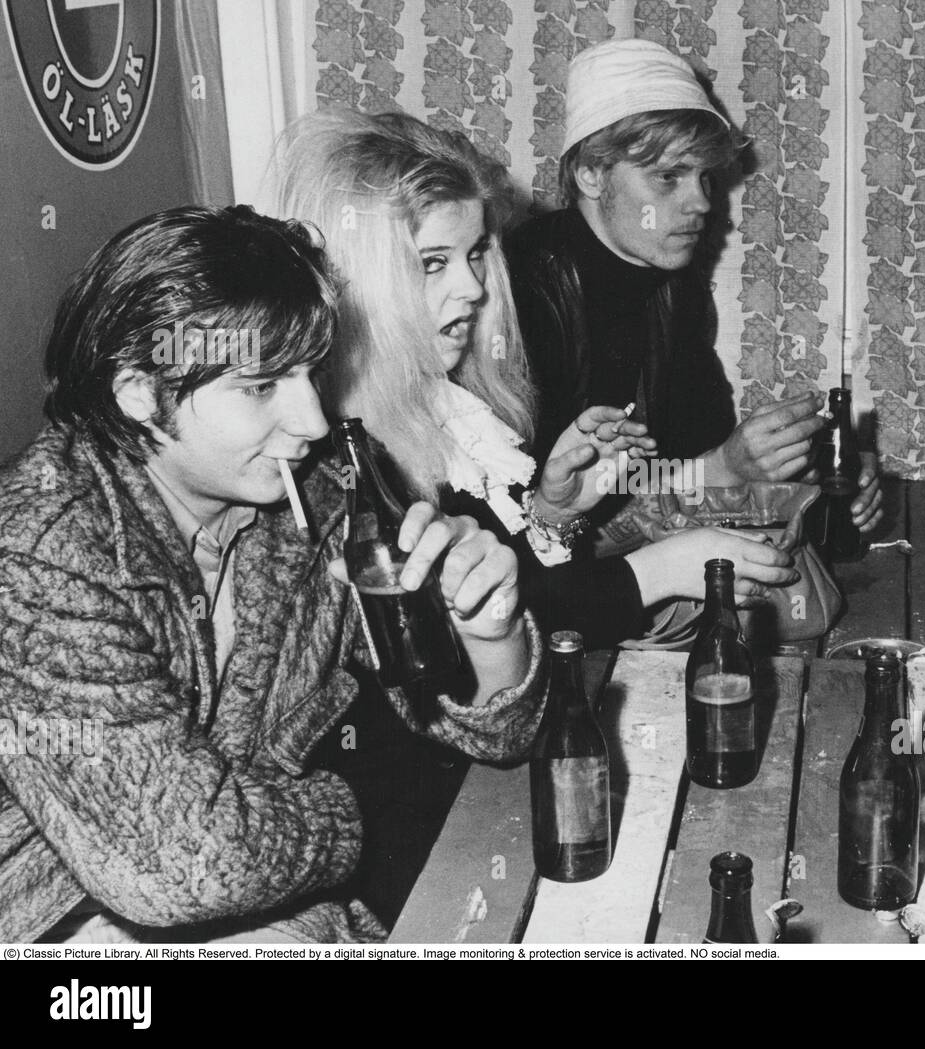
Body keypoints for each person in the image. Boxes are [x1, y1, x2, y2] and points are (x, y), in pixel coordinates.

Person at [0, 205, 542, 943]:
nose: (314, 420)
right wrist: (364, 801)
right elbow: (185, 862)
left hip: (253, 909)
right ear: (138, 394)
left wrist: (488, 628)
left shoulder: (311, 500)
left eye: (309, 373)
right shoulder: (38, 555)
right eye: (261, 386)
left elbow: (489, 732)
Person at [271, 105, 801, 651]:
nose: (475, 289)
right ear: (356, 278)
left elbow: (516, 597)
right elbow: (456, 651)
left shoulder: (444, 404)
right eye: (432, 262)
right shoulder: (330, 462)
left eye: (476, 253)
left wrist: (555, 513)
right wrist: (658, 572)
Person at [506, 38, 883, 533]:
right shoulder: (518, 289)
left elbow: (692, 452)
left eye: (704, 177)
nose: (701, 203)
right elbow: (533, 511)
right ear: (591, 175)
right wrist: (724, 468)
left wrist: (807, 469)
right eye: (668, 177)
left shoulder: (671, 282)